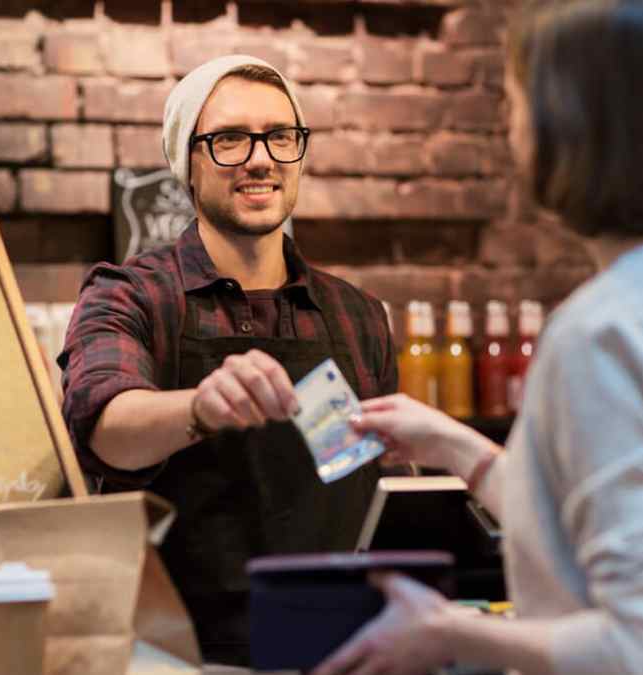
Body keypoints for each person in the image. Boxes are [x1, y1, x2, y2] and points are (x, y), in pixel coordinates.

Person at [313, 1, 643, 674]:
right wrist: (457, 448)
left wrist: (447, 632)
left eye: (516, 102)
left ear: (571, 125)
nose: (507, 126)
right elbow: (635, 542)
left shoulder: (605, 330)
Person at [57, 55, 397, 665]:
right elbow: (102, 424)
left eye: (279, 137)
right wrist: (200, 406)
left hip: (345, 648)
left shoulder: (358, 313)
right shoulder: (131, 294)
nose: (260, 159)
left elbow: (366, 479)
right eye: (230, 140)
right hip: (180, 656)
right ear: (187, 163)